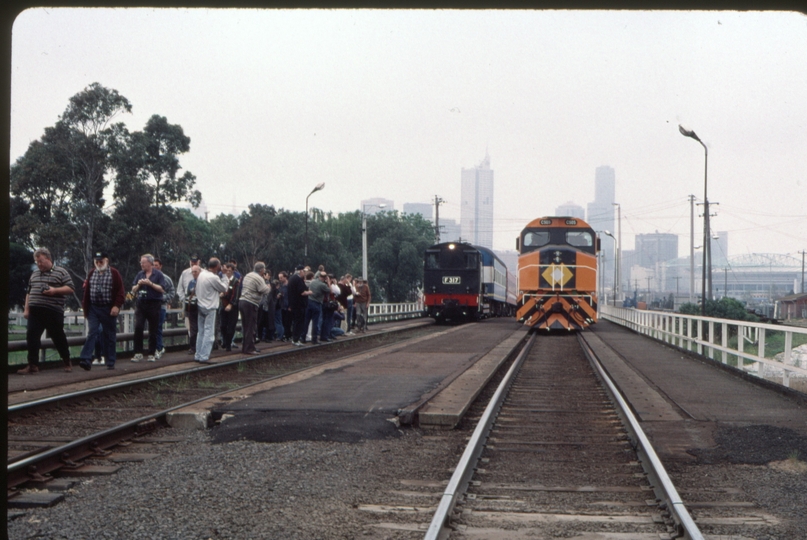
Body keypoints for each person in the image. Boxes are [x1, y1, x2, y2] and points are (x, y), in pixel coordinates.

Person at [19, 247, 75, 374]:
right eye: (37, 262)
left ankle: (66, 361)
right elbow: (29, 292)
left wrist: (54, 290)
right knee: (32, 336)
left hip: (52, 311)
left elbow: (71, 288)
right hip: (35, 311)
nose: (39, 264)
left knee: (58, 337)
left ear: (48, 259)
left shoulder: (61, 272)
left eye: (41, 261)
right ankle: (33, 365)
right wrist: (26, 308)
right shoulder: (34, 274)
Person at [78, 252, 125, 371]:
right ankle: (86, 359)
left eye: (101, 262)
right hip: (93, 308)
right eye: (97, 262)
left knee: (109, 334)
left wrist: (116, 306)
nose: (99, 264)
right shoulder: (92, 273)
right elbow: (87, 291)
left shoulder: (114, 273)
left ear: (106, 261)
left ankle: (110, 361)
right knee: (92, 331)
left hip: (107, 307)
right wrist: (86, 308)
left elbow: (120, 292)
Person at [131, 254, 167, 362]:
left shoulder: (159, 274)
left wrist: (150, 284)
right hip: (141, 304)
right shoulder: (140, 274)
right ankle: (138, 352)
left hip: (154, 304)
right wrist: (139, 285)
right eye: (141, 262)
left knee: (153, 329)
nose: (141, 264)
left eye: (143, 262)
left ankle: (151, 353)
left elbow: (162, 289)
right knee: (138, 327)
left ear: (150, 263)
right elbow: (133, 289)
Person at [194, 258, 229, 363]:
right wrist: (224, 276)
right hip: (209, 307)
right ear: (217, 266)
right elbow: (224, 288)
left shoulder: (202, 274)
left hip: (200, 305)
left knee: (201, 332)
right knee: (209, 333)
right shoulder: (213, 277)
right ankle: (204, 356)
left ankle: (198, 354)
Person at [239, 262, 271, 355]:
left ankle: (246, 347)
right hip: (251, 303)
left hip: (242, 301)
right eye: (264, 270)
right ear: (262, 270)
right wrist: (267, 282)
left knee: (245, 326)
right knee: (251, 326)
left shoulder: (248, 275)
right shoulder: (259, 278)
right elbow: (265, 290)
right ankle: (249, 348)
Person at [152, 258, 175, 359]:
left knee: (158, 326)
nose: (155, 267)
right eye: (153, 265)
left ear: (161, 266)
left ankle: (159, 348)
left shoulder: (166, 278)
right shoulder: (149, 277)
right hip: (151, 306)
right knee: (153, 327)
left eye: (156, 265)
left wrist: (163, 298)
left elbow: (172, 292)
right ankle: (157, 347)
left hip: (161, 306)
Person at [304, 270, 332, 345]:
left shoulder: (313, 281)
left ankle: (303, 338)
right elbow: (330, 291)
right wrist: (328, 282)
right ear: (325, 277)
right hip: (317, 303)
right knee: (315, 322)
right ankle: (314, 339)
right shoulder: (322, 285)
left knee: (306, 321)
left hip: (309, 302)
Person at [176, 254, 201, 341]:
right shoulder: (185, 273)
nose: (193, 264)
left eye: (195, 262)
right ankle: (192, 345)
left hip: (200, 303)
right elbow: (179, 289)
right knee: (189, 325)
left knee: (200, 325)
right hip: (189, 304)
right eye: (192, 262)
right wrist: (185, 300)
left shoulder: (204, 273)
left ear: (199, 262)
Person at [219, 262, 241, 352]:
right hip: (223, 305)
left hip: (232, 306)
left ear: (233, 271)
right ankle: (224, 340)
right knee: (222, 326)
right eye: (226, 270)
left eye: (229, 271)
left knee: (231, 326)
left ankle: (228, 344)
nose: (227, 272)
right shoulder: (222, 280)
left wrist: (231, 304)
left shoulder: (236, 281)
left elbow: (236, 295)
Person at [288, 265, 311, 346]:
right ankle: (296, 339)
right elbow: (302, 292)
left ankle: (295, 338)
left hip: (294, 304)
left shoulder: (291, 278)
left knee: (296, 322)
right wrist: (310, 292)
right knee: (299, 322)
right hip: (299, 304)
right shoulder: (298, 279)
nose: (304, 273)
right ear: (300, 271)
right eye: (304, 272)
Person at [184, 265, 201, 355]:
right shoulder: (191, 282)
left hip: (201, 308)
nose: (194, 273)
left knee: (201, 328)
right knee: (193, 328)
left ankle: (200, 347)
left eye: (196, 272)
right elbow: (187, 295)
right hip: (192, 309)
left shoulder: (202, 281)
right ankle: (193, 347)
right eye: (193, 272)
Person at [275, 271, 290, 341]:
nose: (280, 279)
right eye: (279, 278)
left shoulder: (289, 286)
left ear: (285, 277)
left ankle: (288, 335)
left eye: (281, 278)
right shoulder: (280, 286)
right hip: (282, 305)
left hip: (288, 306)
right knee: (283, 321)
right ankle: (283, 335)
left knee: (288, 322)